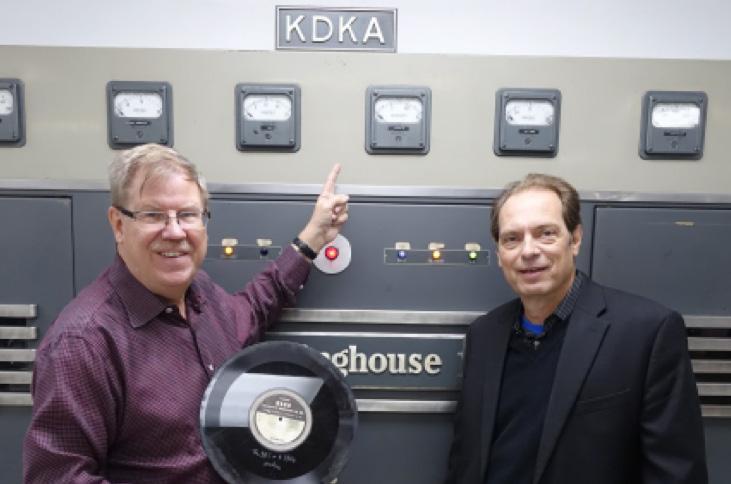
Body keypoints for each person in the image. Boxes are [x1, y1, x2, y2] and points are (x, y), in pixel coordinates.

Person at [23, 143, 349, 483]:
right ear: (118, 224)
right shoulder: (82, 344)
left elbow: (252, 309)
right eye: (153, 215)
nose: (175, 232)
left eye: (188, 214)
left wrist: (312, 240)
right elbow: (59, 476)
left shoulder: (199, 293)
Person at [446, 173, 707, 484]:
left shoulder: (647, 333)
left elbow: (677, 472)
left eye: (546, 233)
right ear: (500, 253)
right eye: (512, 238)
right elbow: (465, 460)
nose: (528, 251)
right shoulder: (483, 334)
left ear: (575, 239)